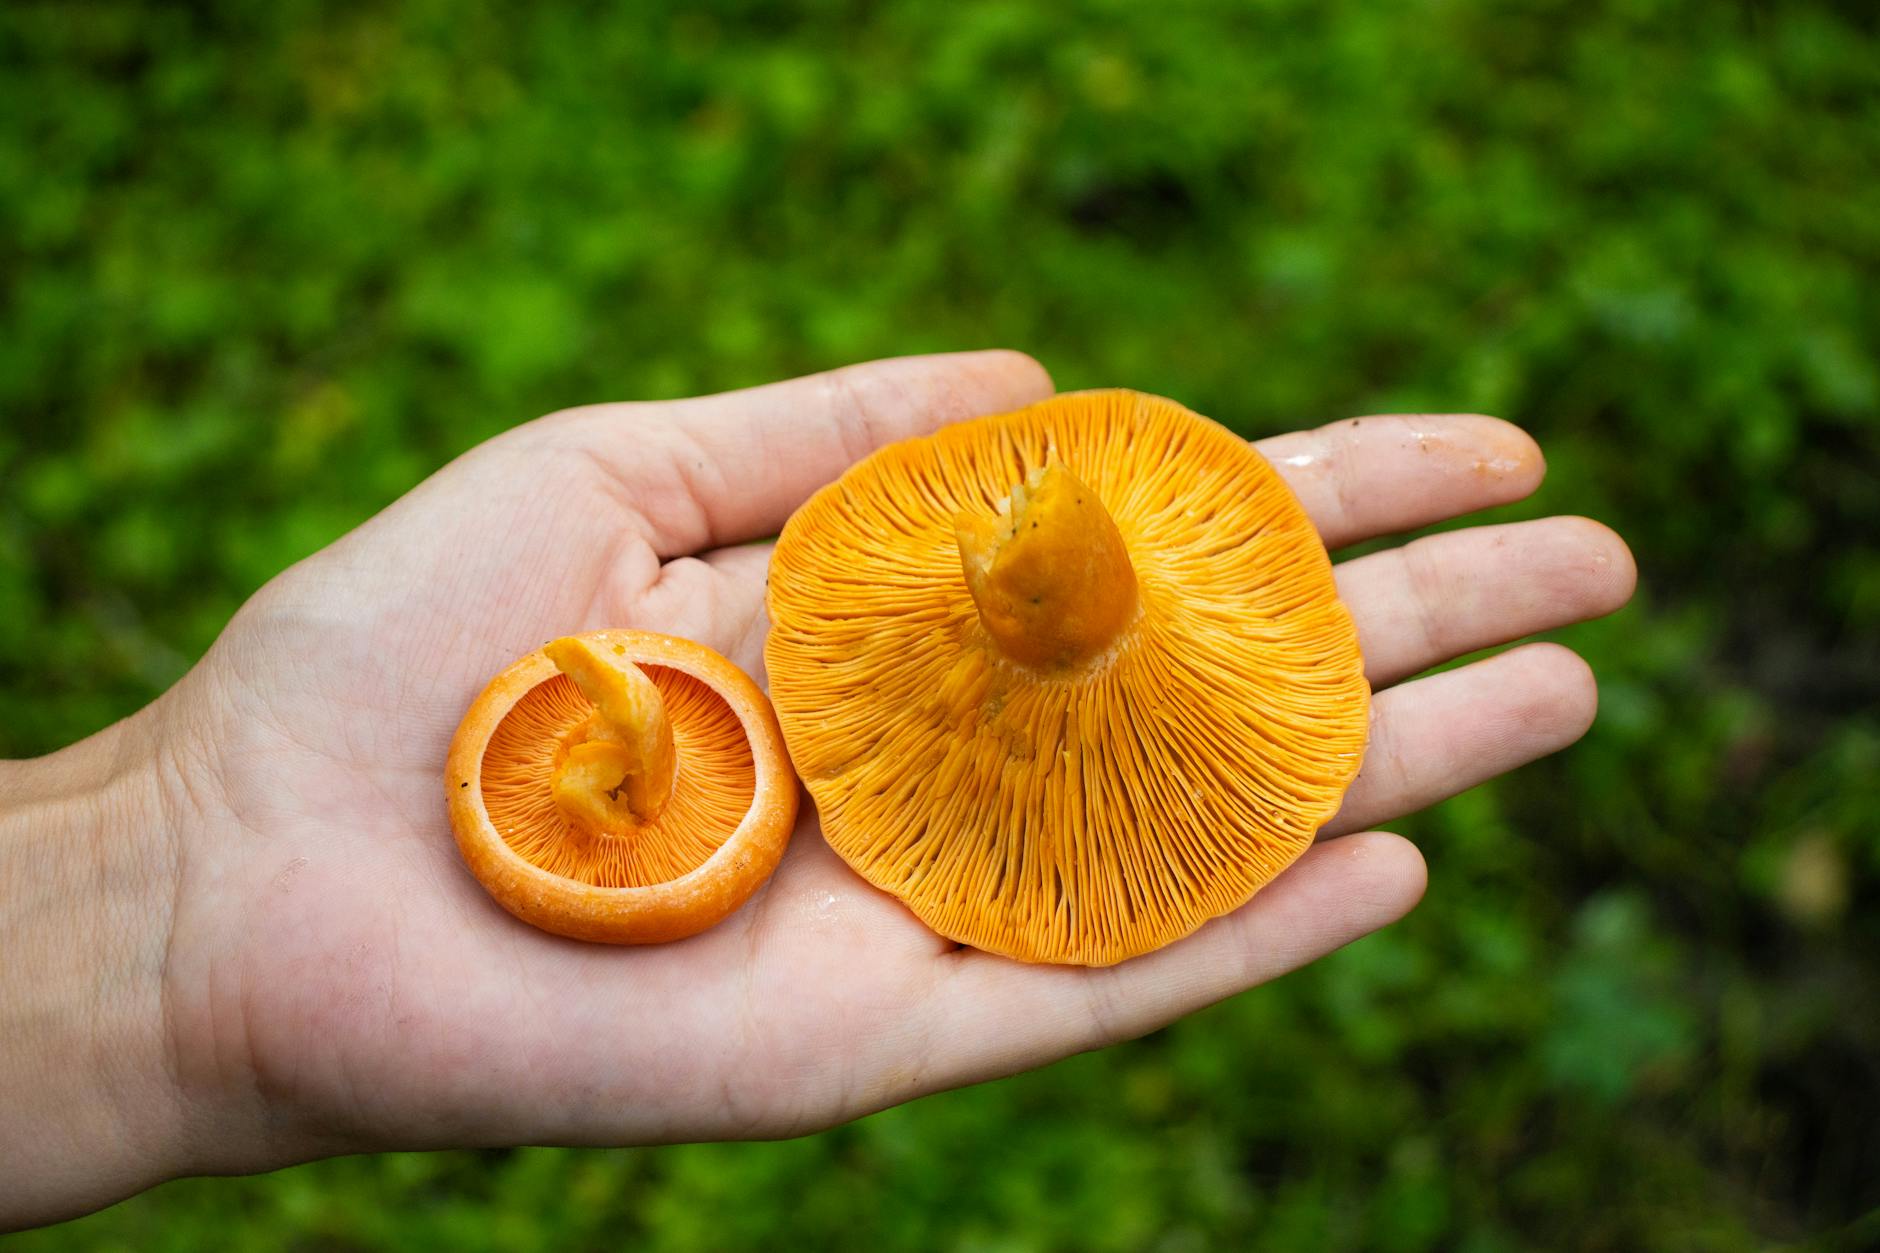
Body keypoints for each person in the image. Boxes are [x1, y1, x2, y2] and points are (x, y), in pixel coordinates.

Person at [0, 351, 1635, 1229]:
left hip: (1193, 705)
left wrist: (153, 885)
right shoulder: (893, 592)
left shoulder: (1157, 559)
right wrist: (158, 873)